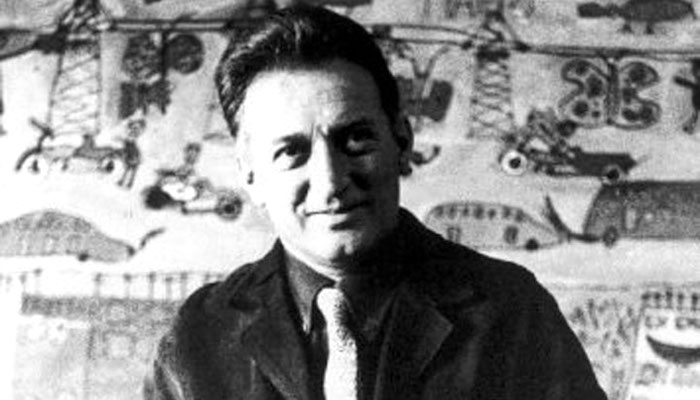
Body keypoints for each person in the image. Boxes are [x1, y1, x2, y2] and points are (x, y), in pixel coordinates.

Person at [147, 5, 607, 400]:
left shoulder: (511, 312)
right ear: (250, 174)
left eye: (355, 139)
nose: (331, 181)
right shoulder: (197, 339)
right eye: (292, 152)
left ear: (401, 142)